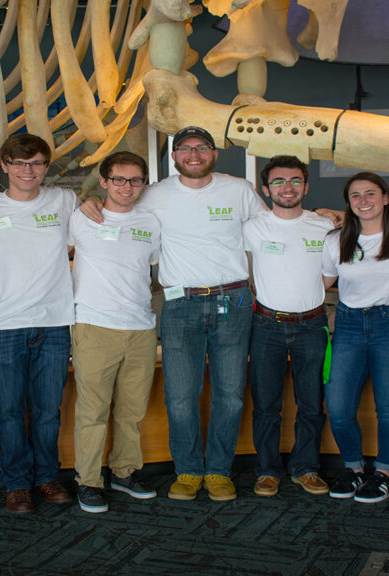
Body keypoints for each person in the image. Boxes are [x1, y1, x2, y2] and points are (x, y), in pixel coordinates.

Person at [81, 126, 267, 501]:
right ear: (174, 155)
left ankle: (217, 471)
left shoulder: (238, 191)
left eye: (202, 147)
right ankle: (187, 470)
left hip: (234, 300)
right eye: (185, 148)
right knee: (181, 395)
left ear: (214, 154)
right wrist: (89, 199)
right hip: (180, 304)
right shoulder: (153, 194)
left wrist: (322, 215)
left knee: (230, 395)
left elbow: (273, 227)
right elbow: (118, 201)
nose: (193, 154)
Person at [0, 134, 77, 513]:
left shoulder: (65, 201)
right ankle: (17, 484)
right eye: (19, 163)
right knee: (10, 410)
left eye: (35, 163)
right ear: (5, 167)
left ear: (46, 167)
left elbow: (87, 231)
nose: (27, 171)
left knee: (49, 409)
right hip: (1, 322)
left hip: (54, 321)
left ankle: (46, 477)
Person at [322, 173, 389, 504]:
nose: (363, 200)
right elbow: (321, 284)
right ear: (348, 203)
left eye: (370, 193)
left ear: (385, 198)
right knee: (338, 406)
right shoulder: (336, 239)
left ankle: (385, 474)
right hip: (350, 324)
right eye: (355, 195)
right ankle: (353, 469)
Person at [69, 151, 161, 513]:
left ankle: (124, 472)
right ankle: (88, 481)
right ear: (104, 182)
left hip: (140, 328)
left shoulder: (151, 222)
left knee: (132, 410)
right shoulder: (81, 217)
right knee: (92, 410)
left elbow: (153, 274)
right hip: (94, 326)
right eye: (119, 179)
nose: (127, 187)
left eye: (135, 180)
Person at [243, 155, 334, 498]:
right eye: (279, 182)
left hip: (312, 326)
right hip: (266, 326)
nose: (287, 187)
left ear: (306, 187)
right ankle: (267, 471)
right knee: (266, 405)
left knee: (311, 403)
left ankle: (306, 468)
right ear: (266, 189)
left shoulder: (324, 226)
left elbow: (331, 271)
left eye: (295, 181)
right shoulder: (253, 226)